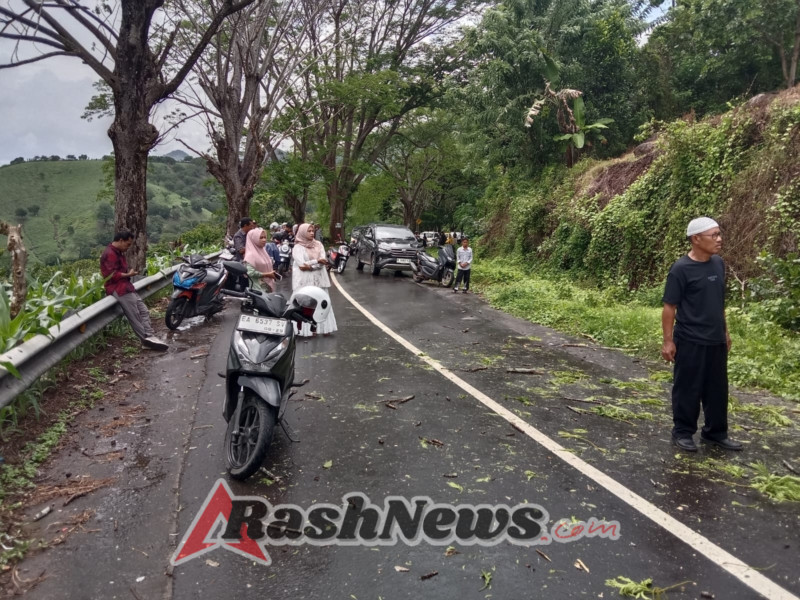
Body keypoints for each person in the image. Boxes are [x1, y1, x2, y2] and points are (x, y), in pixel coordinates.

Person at [661, 217, 742, 453]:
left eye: (719, 234)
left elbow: (719, 302)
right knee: (687, 388)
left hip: (715, 339)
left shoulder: (718, 264)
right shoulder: (681, 269)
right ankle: (683, 432)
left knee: (717, 389)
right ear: (696, 239)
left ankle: (715, 433)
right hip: (690, 339)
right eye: (714, 235)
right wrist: (668, 341)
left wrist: (725, 331)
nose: (719, 239)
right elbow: (669, 307)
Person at [100, 231, 168, 350]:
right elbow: (111, 275)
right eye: (127, 244)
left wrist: (128, 274)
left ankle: (149, 336)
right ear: (121, 240)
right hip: (119, 289)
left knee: (144, 311)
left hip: (127, 287)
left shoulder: (119, 253)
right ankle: (145, 340)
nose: (128, 247)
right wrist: (128, 274)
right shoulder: (110, 253)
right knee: (135, 315)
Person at [292, 223, 337, 336]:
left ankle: (323, 328)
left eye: (313, 231)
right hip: (304, 282)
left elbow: (323, 261)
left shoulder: (319, 244)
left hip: (319, 280)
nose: (312, 233)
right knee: (305, 304)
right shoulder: (297, 247)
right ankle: (305, 330)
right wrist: (316, 262)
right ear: (302, 232)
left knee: (322, 303)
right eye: (309, 231)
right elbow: (301, 265)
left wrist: (311, 265)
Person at [243, 227, 278, 292]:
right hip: (259, 289)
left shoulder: (263, 251)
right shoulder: (250, 255)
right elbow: (250, 272)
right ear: (254, 239)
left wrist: (271, 273)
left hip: (267, 287)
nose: (264, 240)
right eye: (261, 238)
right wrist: (267, 274)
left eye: (265, 237)